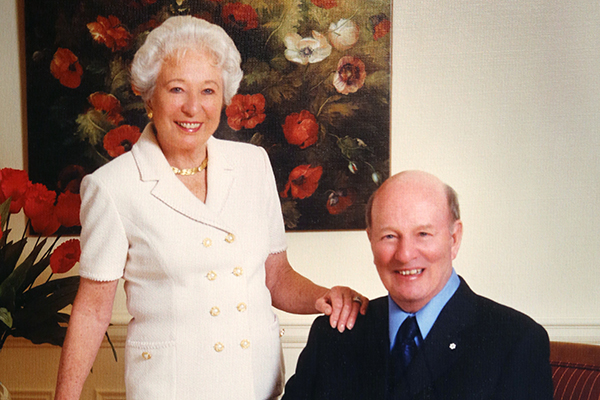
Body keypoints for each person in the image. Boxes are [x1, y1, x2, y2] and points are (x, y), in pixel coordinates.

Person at [54, 16, 368, 400]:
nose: (193, 107)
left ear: (223, 97)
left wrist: (324, 297)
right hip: (170, 389)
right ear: (149, 96)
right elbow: (92, 312)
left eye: (208, 90)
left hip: (257, 384)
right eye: (176, 89)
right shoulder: (112, 187)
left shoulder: (253, 165)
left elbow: (277, 277)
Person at [282, 170, 553, 400]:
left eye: (423, 234)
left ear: (454, 238)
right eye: (389, 236)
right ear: (371, 240)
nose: (405, 254)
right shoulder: (334, 335)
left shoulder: (515, 341)